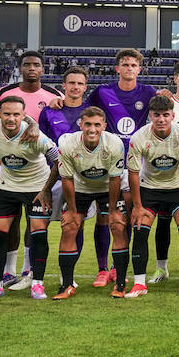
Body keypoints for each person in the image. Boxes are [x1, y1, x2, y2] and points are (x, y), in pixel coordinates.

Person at [0, 96, 61, 300]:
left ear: (24, 115)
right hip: (8, 187)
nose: (11, 118)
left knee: (38, 234)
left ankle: (37, 284)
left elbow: (60, 161)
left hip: (37, 188)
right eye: (7, 113)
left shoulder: (36, 136)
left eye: (16, 114)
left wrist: (47, 189)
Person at [120, 96, 179, 297]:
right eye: (157, 115)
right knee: (140, 229)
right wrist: (137, 206)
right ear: (150, 116)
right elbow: (133, 173)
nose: (161, 119)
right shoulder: (139, 137)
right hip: (150, 189)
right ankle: (139, 284)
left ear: (173, 115)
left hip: (177, 189)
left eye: (166, 115)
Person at [55, 107, 127, 299]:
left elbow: (114, 179)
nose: (92, 129)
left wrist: (112, 210)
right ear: (80, 125)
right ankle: (67, 285)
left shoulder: (114, 144)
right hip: (80, 188)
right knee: (70, 227)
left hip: (107, 188)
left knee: (118, 225)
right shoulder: (67, 143)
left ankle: (120, 284)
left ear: (104, 126)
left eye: (97, 124)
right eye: (88, 124)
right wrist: (71, 210)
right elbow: (67, 179)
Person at [0, 50, 61, 121]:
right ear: (20, 69)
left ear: (42, 70)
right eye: (27, 65)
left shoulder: (55, 96)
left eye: (36, 65)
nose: (32, 68)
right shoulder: (2, 93)